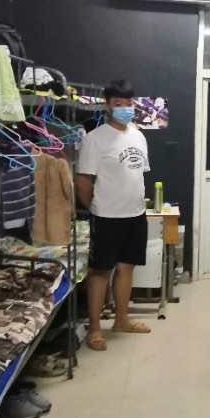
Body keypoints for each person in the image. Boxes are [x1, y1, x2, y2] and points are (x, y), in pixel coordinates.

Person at [75, 80, 152, 351]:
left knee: (126, 268)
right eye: (118, 104)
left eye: (129, 104)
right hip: (106, 217)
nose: (125, 108)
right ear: (107, 105)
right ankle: (95, 329)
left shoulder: (138, 135)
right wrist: (96, 206)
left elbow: (137, 173)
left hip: (136, 214)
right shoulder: (94, 139)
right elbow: (83, 181)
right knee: (100, 272)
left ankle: (122, 320)